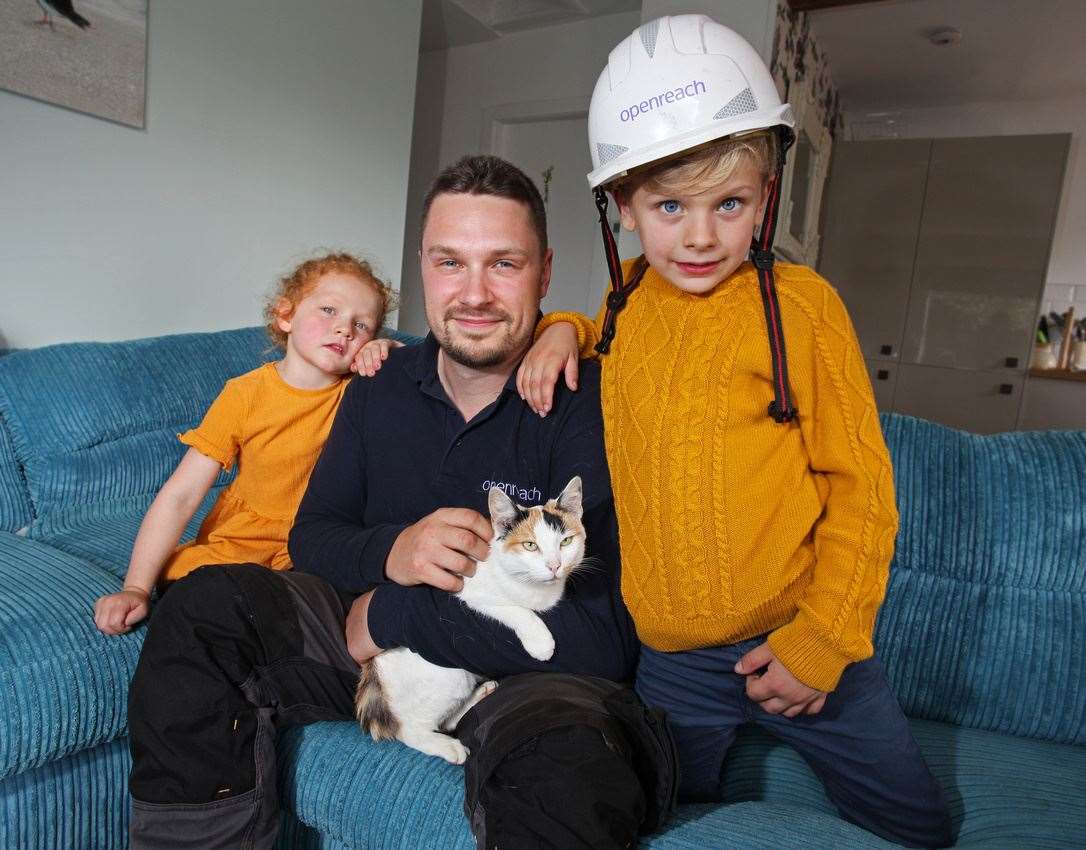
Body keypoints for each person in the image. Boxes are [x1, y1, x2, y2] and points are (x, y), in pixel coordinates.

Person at [515, 15, 953, 849]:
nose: (702, 234)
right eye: (669, 204)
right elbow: (608, 329)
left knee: (916, 826)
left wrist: (822, 643)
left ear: (767, 194)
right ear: (624, 209)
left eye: (731, 203)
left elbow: (862, 488)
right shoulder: (625, 307)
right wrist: (561, 325)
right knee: (659, 819)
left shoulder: (803, 309)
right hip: (673, 660)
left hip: (805, 641)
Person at [124, 155, 639, 849]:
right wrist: (393, 551)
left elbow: (600, 639)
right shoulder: (379, 381)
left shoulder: (588, 402)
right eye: (450, 262)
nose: (475, 293)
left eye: (504, 264)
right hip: (356, 642)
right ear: (423, 267)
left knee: (573, 764)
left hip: (518, 669)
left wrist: (399, 607)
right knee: (203, 609)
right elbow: (314, 537)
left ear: (544, 273)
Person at [93, 253, 393, 636]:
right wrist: (135, 587)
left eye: (362, 325)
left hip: (313, 553)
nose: (344, 330)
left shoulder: (361, 393)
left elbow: (421, 384)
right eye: (329, 310)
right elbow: (182, 494)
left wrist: (390, 354)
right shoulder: (245, 394)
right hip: (241, 546)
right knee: (193, 589)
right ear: (285, 315)